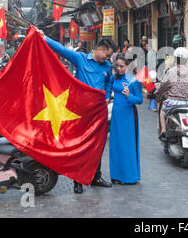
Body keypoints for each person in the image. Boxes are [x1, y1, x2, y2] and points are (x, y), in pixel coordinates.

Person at [37, 28, 116, 193]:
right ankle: (77, 181)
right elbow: (62, 50)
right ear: (100, 49)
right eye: (107, 54)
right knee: (80, 144)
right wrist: (45, 38)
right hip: (81, 111)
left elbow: (108, 82)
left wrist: (107, 95)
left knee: (97, 144)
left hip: (99, 110)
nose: (108, 58)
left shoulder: (106, 65)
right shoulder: (81, 59)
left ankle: (95, 177)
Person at [108, 53, 143, 185]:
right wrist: (106, 95)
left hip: (128, 115)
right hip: (116, 114)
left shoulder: (133, 80)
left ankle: (129, 176)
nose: (119, 69)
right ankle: (116, 175)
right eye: (117, 66)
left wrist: (129, 96)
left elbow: (139, 100)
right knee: (116, 145)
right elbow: (108, 87)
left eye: (122, 66)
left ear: (127, 66)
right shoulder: (114, 77)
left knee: (127, 145)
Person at [157, 47, 188, 137]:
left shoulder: (171, 71)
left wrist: (159, 90)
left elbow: (163, 85)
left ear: (175, 59)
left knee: (162, 111)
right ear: (186, 59)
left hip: (174, 103)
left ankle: (163, 130)